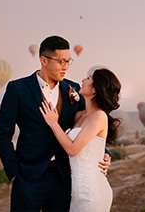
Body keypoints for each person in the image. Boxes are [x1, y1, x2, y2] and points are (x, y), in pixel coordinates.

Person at [0, 35, 111, 211]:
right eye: (61, 61)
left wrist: (104, 153)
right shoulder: (17, 89)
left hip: (65, 177)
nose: (66, 67)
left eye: (68, 61)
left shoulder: (73, 90)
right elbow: (2, 134)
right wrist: (14, 172)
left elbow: (88, 122)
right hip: (28, 177)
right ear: (44, 60)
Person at [39, 68, 121, 212]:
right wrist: (105, 153)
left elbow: (72, 149)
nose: (82, 81)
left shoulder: (100, 116)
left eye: (88, 78)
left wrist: (53, 123)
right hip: (77, 193)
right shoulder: (78, 116)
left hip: (93, 192)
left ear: (95, 90)